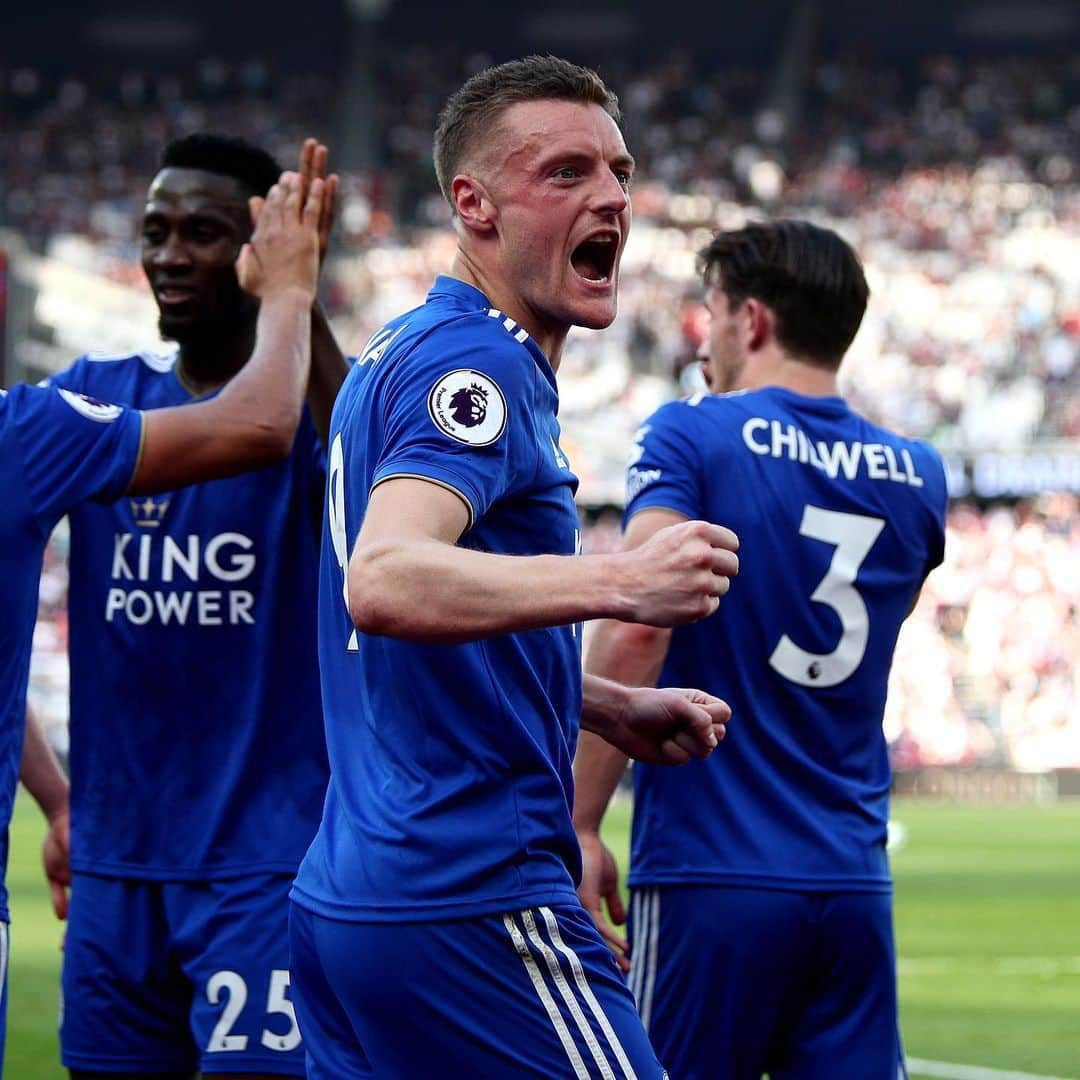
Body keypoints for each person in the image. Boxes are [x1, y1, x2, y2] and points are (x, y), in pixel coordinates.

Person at [288, 55, 740, 1079]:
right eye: (567, 172)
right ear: (473, 205)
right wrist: (620, 580)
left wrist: (596, 702)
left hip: (356, 896)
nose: (613, 198)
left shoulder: (406, 349)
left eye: (619, 171)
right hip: (470, 896)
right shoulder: (478, 367)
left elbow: (410, 628)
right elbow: (389, 580)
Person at [573, 219, 948, 1079]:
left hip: (715, 871)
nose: (701, 340)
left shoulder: (693, 434)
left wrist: (580, 820)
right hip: (852, 878)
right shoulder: (919, 473)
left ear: (750, 320)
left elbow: (637, 621)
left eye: (708, 313)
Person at [0, 169, 324, 1067]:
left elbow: (280, 423)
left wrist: (299, 296)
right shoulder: (81, 401)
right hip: (113, 872)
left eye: (203, 231)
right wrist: (63, 805)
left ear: (258, 250)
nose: (169, 255)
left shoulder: (327, 413)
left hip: (266, 866)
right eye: (154, 230)